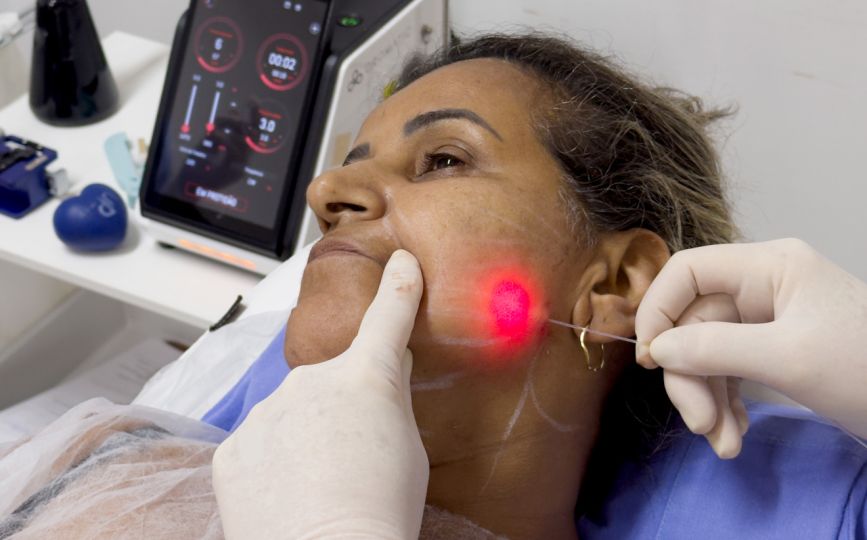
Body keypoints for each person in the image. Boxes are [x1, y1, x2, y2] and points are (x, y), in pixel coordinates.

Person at [2, 33, 865, 539]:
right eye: (349, 164)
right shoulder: (119, 463)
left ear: (611, 282)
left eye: (443, 159)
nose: (324, 191)